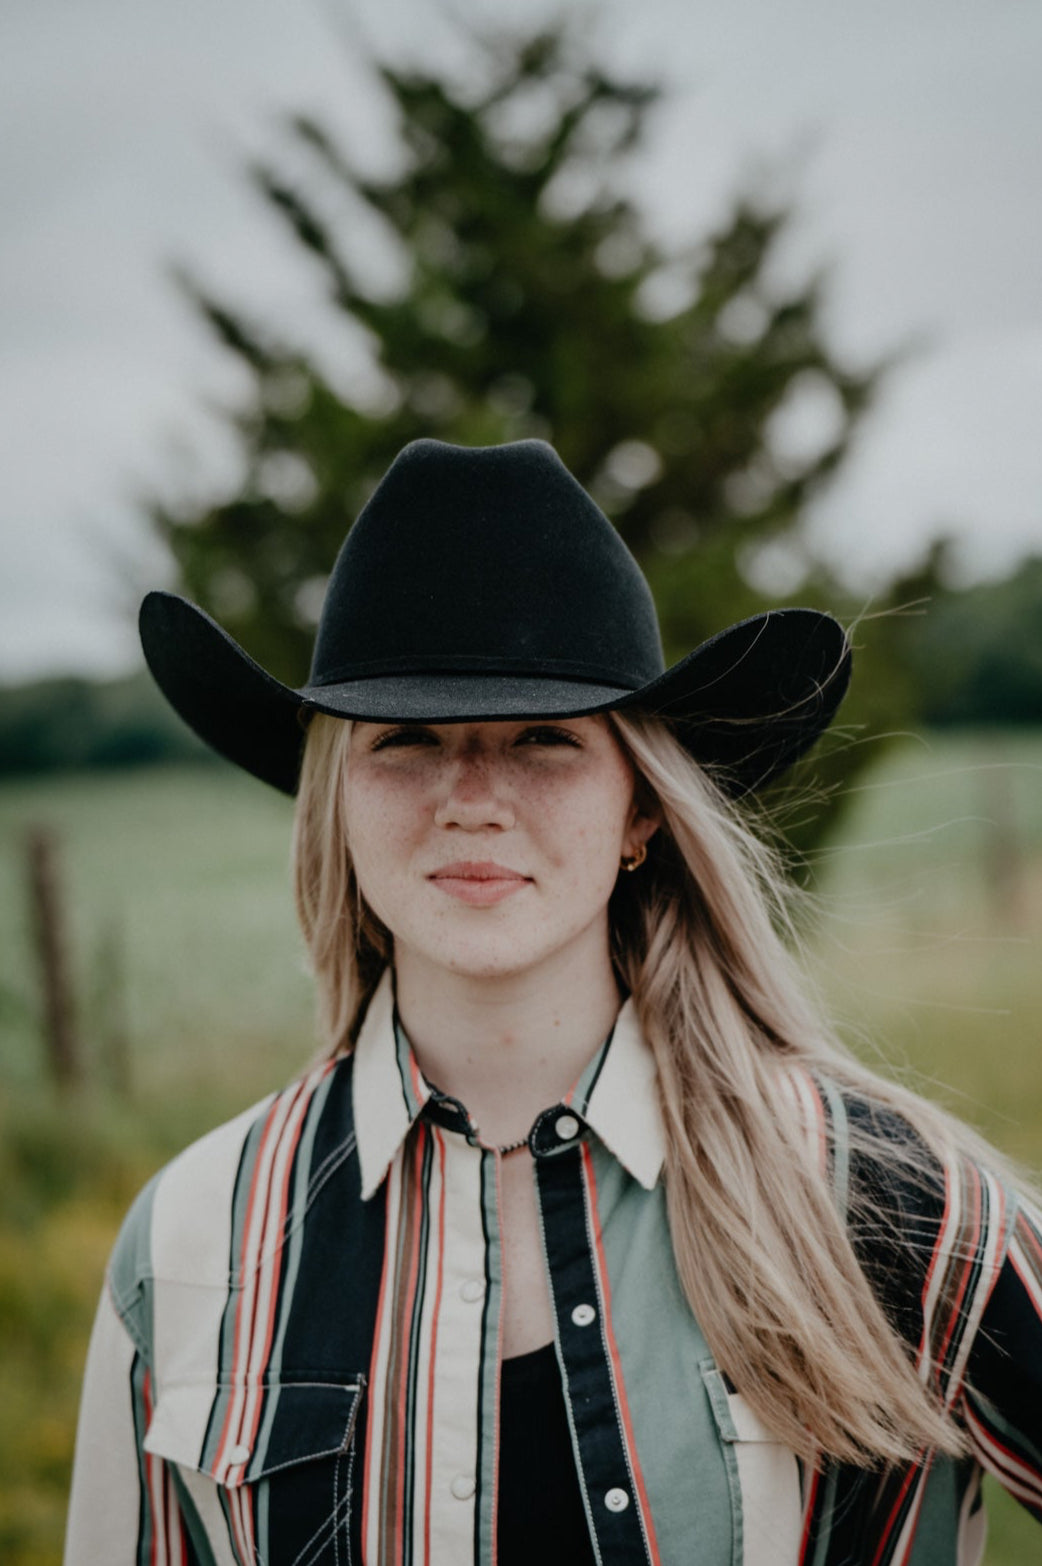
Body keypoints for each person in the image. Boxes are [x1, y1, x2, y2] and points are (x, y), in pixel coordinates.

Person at [65, 439, 1041, 1566]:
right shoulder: (194, 1242)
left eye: (544, 739)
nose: (472, 798)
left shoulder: (879, 1194)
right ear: (335, 803)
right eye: (404, 741)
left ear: (642, 811)